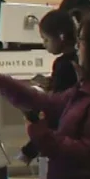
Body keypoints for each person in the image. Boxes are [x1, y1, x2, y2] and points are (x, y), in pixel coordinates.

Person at [17, 9, 80, 165]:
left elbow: (56, 108)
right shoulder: (79, 59)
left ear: (60, 37)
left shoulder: (63, 65)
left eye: (45, 39)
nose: (44, 44)